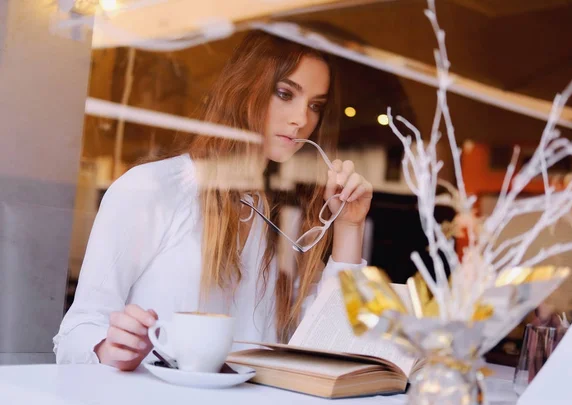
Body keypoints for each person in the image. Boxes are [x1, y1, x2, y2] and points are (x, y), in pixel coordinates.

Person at [53, 31, 373, 371]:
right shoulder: (152, 189)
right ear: (244, 89)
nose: (302, 120)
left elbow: (333, 347)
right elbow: (75, 334)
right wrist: (109, 348)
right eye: (285, 93)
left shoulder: (289, 219)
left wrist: (349, 227)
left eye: (315, 106)